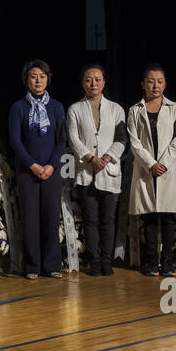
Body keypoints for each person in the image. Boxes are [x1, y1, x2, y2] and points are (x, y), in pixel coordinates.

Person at [126, 64, 176, 276]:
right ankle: (151, 263)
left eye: (159, 81)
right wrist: (151, 164)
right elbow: (134, 141)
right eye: (151, 81)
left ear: (165, 84)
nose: (155, 85)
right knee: (150, 219)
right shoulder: (135, 110)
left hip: (168, 170)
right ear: (143, 84)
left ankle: (168, 264)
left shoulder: (174, 108)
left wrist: (162, 162)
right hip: (147, 170)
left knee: (168, 219)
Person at [66, 65, 126, 276]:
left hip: (109, 171)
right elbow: (74, 139)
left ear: (104, 82)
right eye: (89, 80)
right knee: (90, 220)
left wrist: (106, 158)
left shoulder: (116, 109)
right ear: (83, 83)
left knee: (108, 220)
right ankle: (94, 261)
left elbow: (121, 139)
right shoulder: (75, 109)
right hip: (86, 172)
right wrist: (91, 158)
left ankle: (107, 261)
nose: (93, 84)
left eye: (97, 79)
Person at [9, 60, 66, 280]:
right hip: (27, 171)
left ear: (48, 78)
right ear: (26, 79)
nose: (38, 80)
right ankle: (32, 265)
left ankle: (51, 264)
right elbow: (15, 141)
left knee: (51, 217)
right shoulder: (18, 107)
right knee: (31, 219)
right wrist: (32, 165)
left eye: (42, 76)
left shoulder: (57, 107)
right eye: (33, 76)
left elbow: (61, 140)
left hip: (51, 171)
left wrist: (51, 165)